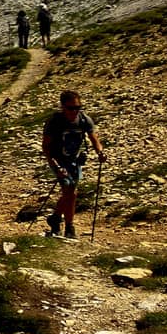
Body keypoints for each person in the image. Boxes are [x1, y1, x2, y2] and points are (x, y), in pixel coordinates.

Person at [41, 90, 105, 239]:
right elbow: (46, 147)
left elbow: (94, 138)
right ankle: (69, 226)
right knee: (69, 189)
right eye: (71, 108)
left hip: (74, 160)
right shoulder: (55, 122)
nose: (74, 111)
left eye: (78, 107)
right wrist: (56, 166)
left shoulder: (83, 119)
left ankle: (56, 218)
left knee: (71, 192)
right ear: (63, 107)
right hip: (57, 159)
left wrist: (100, 152)